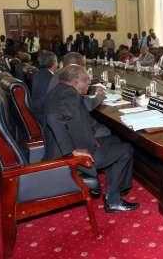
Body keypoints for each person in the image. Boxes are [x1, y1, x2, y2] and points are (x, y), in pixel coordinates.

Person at [43, 65, 138, 213]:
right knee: (127, 149)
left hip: (69, 145)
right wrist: (72, 151)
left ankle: (115, 190)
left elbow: (73, 115)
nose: (89, 84)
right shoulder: (70, 95)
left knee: (114, 141)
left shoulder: (60, 90)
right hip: (70, 156)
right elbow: (53, 118)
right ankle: (114, 200)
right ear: (75, 82)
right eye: (86, 81)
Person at [31, 50, 58, 123]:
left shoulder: (38, 74)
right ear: (54, 63)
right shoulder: (52, 78)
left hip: (36, 112)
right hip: (45, 116)